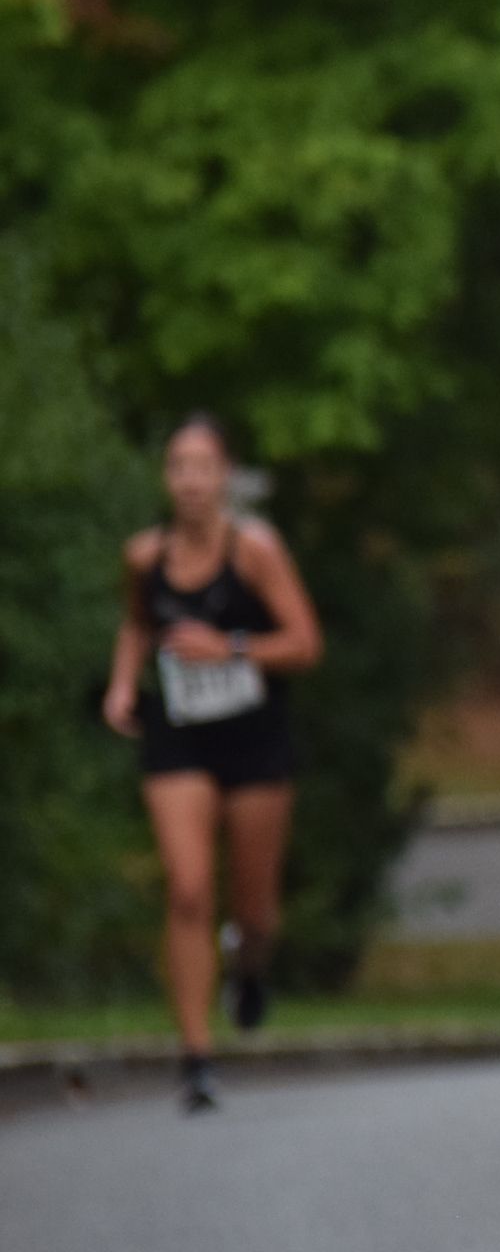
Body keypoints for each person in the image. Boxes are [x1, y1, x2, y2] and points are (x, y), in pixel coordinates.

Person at [102, 414, 325, 1115]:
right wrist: (122, 683)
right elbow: (138, 622)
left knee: (254, 911)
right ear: (166, 478)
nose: (191, 481)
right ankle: (197, 1057)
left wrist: (228, 649)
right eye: (178, 466)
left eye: (203, 466)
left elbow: (305, 644)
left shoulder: (254, 550)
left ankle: (249, 969)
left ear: (225, 476)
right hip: (179, 736)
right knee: (189, 889)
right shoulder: (144, 556)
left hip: (253, 739)